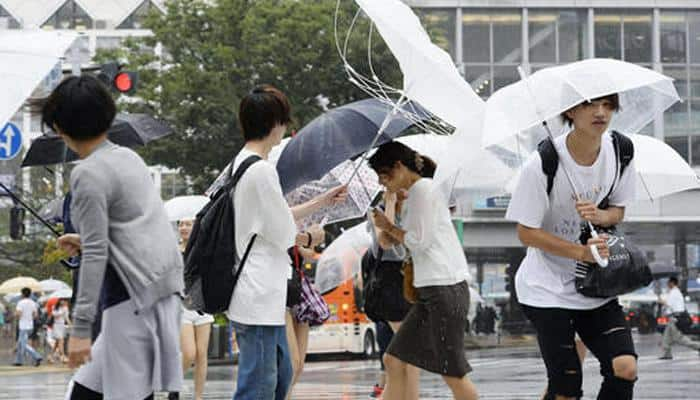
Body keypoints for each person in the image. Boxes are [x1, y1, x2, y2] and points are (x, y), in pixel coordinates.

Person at [48, 75, 184, 400]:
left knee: (124, 394)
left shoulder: (87, 172)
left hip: (131, 299)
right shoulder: (128, 157)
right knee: (84, 392)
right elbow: (136, 227)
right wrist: (84, 242)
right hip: (158, 288)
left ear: (60, 128)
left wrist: (80, 329)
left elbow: (96, 254)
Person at [506, 94, 638, 400]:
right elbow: (526, 232)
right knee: (565, 389)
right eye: (591, 104)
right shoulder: (542, 163)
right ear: (570, 110)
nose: (600, 112)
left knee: (625, 367)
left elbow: (618, 210)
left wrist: (600, 215)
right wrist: (580, 252)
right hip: (546, 289)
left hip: (595, 285)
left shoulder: (621, 151)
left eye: (607, 105)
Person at [228, 85, 331, 400]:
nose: (285, 128)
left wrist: (320, 202)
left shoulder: (244, 164)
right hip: (258, 295)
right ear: (274, 124)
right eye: (283, 121)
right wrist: (311, 235)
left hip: (262, 294)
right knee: (258, 387)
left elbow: (272, 217)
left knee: (281, 374)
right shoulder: (261, 171)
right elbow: (286, 232)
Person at [369, 141, 477, 400]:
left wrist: (388, 224)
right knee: (394, 359)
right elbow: (392, 244)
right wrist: (391, 213)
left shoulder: (423, 190)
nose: (384, 183)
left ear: (399, 167)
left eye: (385, 176)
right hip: (432, 290)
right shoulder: (416, 193)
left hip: (444, 289)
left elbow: (418, 241)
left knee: (452, 372)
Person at [363, 189, 416, 399]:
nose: (406, 190)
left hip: (409, 281)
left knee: (399, 357)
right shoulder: (377, 212)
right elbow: (386, 242)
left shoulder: (413, 213)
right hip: (390, 285)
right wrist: (391, 204)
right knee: (409, 354)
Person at [177, 218, 214, 400]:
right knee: (189, 353)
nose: (183, 227)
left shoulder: (202, 250)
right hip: (181, 307)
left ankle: (198, 397)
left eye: (188, 224)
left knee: (201, 355)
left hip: (202, 307)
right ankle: (174, 384)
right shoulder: (173, 251)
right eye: (181, 224)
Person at [658, 276, 700, 359]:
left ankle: (698, 346)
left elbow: (669, 304)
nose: (667, 284)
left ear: (672, 283)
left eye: (668, 283)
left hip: (675, 318)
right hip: (674, 317)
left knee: (679, 338)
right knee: (666, 337)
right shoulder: (676, 292)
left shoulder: (674, 292)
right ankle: (666, 353)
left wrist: (661, 301)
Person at [13, 287, 42, 366]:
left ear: (22, 294)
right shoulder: (33, 303)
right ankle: (18, 361)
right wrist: (29, 318)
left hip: (23, 326)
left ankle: (37, 356)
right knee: (20, 343)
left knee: (23, 344)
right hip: (30, 326)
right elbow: (35, 315)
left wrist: (15, 314)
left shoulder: (20, 302)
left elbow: (18, 314)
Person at [51, 299, 71, 364]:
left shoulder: (66, 308)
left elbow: (66, 317)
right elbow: (55, 315)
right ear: (59, 301)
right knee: (61, 341)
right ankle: (63, 357)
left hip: (62, 326)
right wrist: (62, 312)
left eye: (65, 301)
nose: (64, 302)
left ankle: (50, 356)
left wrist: (70, 324)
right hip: (56, 326)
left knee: (57, 343)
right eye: (62, 300)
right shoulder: (54, 307)